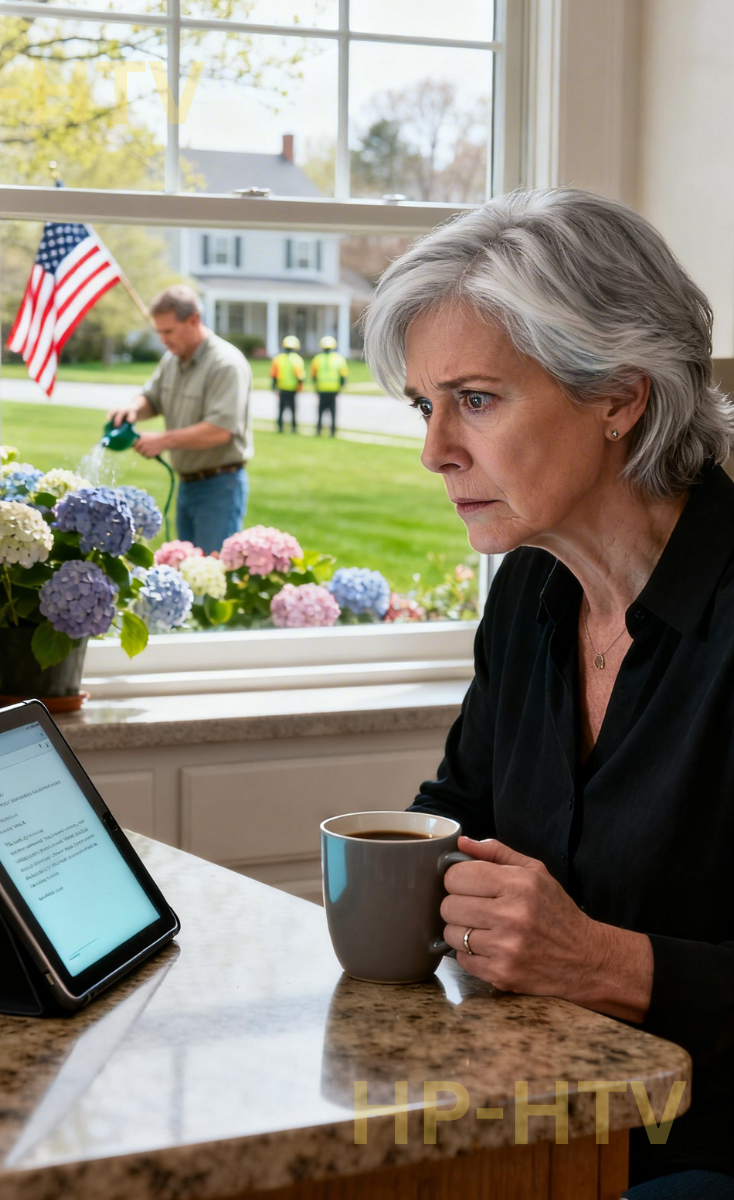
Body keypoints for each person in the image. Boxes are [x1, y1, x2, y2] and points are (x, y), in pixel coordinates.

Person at [363, 188, 734, 1199]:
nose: (436, 448)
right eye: (423, 405)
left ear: (619, 395)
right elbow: (458, 812)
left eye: (475, 400)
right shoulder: (532, 587)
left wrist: (609, 963)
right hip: (539, 1115)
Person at [108, 285, 252, 554]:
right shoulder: (172, 360)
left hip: (219, 487)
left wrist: (162, 441)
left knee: (211, 578)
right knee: (187, 573)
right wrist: (132, 409)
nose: (163, 339)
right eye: (158, 332)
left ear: (194, 320)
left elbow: (220, 430)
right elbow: (151, 398)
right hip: (187, 484)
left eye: (168, 331)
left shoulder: (225, 364)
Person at [310, 336, 348, 436]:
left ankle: (318, 430)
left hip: (321, 389)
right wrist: (340, 387)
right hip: (333, 390)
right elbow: (343, 376)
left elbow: (313, 375)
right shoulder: (339, 359)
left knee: (320, 411)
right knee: (333, 412)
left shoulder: (317, 359)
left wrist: (317, 386)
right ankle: (332, 432)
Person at [270, 335, 305, 433]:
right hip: (293, 389)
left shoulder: (278, 358)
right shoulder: (297, 359)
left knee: (281, 409)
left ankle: (280, 427)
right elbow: (300, 377)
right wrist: (299, 388)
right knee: (293, 409)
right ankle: (293, 427)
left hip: (282, 388)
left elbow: (274, 375)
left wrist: (273, 387)